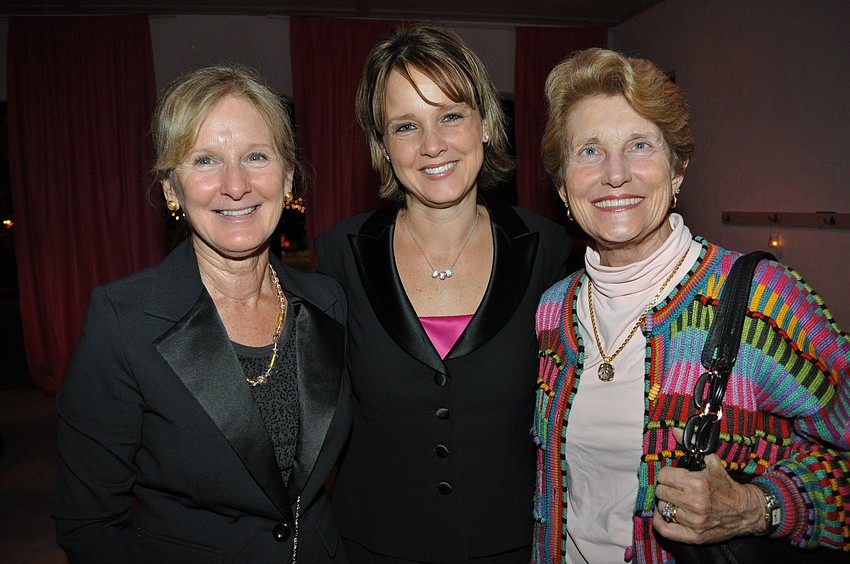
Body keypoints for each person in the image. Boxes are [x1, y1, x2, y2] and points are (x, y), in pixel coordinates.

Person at [532, 47, 850, 563]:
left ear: (677, 170)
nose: (615, 174)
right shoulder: (553, 311)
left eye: (639, 146)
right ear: (563, 185)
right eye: (588, 151)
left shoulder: (760, 299)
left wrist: (760, 505)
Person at [53, 65, 350, 563]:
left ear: (288, 175)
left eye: (256, 156)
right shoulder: (123, 321)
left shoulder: (328, 301)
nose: (235, 185)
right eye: (205, 160)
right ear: (172, 188)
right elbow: (89, 526)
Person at [313, 24, 571, 563]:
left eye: (451, 115)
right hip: (373, 546)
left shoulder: (547, 248)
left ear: (484, 122)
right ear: (382, 144)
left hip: (515, 546)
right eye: (406, 125)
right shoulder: (339, 254)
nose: (433, 145)